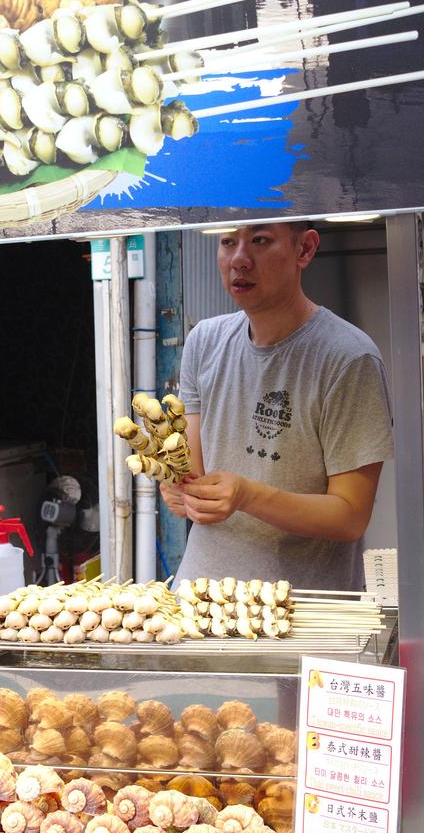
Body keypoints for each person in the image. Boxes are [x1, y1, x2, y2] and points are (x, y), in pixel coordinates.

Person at [160, 221, 393, 590]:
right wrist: (182, 490)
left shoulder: (349, 358)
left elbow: (350, 516)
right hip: (201, 598)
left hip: (302, 610)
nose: (239, 259)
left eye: (260, 240)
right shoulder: (203, 341)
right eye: (227, 242)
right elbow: (195, 473)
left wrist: (248, 495)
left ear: (305, 249)